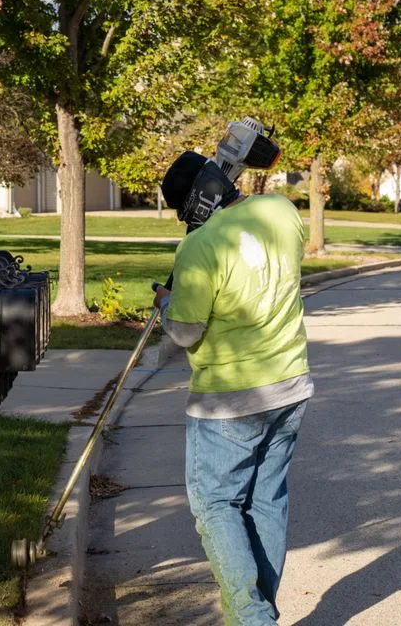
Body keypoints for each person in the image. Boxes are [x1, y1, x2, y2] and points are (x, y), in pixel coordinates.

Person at [153, 151, 313, 626]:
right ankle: (253, 611)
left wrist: (167, 303)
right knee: (266, 500)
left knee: (216, 505)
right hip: (290, 385)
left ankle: (251, 618)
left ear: (196, 204)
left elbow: (185, 332)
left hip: (229, 398)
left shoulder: (200, 246)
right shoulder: (282, 210)